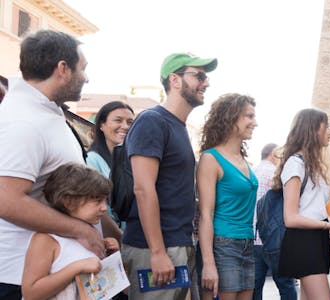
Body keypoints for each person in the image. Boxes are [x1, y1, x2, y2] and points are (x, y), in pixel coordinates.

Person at [0, 30, 103, 299]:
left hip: (56, 269)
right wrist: (82, 230)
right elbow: (6, 200)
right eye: (83, 69)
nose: (87, 78)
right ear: (63, 69)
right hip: (21, 277)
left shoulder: (46, 111)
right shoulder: (23, 122)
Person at [121, 52, 217, 299]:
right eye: (199, 76)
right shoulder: (152, 121)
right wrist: (157, 252)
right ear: (174, 80)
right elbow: (143, 189)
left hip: (177, 244)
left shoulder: (177, 126)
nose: (206, 82)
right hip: (156, 249)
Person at [274, 108, 330, 300]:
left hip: (316, 238)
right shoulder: (295, 164)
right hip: (303, 241)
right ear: (312, 130)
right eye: (327, 126)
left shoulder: (311, 165)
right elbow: (290, 218)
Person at [21, 163, 120, 299]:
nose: (104, 208)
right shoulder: (46, 240)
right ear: (69, 202)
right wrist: (77, 267)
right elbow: (30, 293)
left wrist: (110, 256)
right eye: (97, 201)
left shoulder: (91, 234)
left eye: (105, 201)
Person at [196, 94, 258, 300]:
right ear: (231, 118)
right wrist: (209, 264)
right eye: (249, 116)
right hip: (224, 244)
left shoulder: (243, 159)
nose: (254, 123)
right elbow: (205, 214)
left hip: (247, 243)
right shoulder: (210, 158)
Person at [253, 143, 297, 300]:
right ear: (273, 154)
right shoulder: (274, 173)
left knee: (255, 288)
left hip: (255, 238)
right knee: (286, 286)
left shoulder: (253, 171)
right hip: (275, 240)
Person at [87, 100, 135, 233]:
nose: (125, 126)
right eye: (118, 120)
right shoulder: (92, 161)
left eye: (130, 122)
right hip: (107, 238)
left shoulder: (134, 162)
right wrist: (119, 238)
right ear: (102, 125)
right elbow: (97, 207)